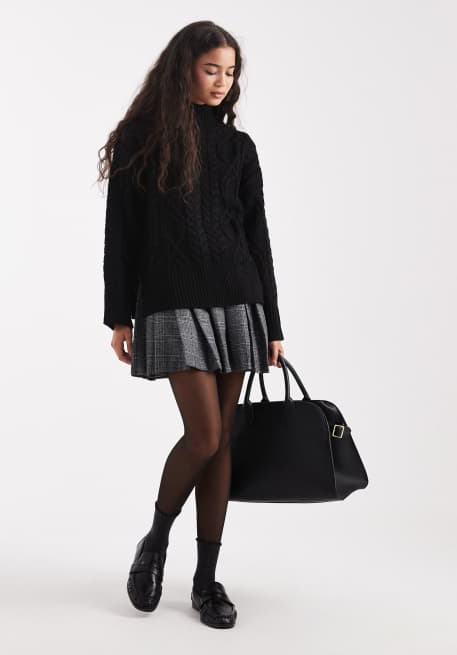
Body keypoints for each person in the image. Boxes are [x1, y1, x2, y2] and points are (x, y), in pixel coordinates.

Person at [98, 20, 285, 629]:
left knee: (222, 438)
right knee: (203, 435)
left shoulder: (239, 148)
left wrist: (273, 322)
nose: (222, 82)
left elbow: (257, 238)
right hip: (172, 301)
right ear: (183, 69)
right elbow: (122, 234)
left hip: (238, 301)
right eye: (211, 70)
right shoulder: (141, 139)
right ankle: (155, 541)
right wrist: (118, 315)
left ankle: (207, 580)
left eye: (230, 72)